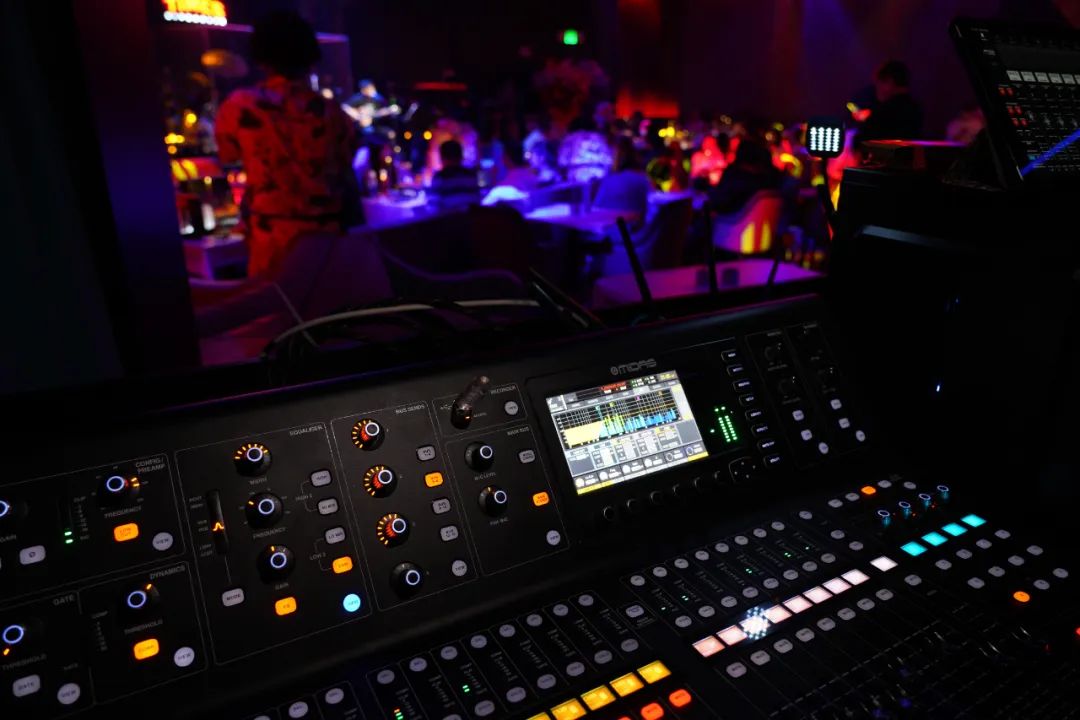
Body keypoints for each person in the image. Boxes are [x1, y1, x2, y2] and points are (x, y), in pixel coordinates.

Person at [216, 11, 357, 277]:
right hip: (328, 238)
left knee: (276, 302)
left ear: (261, 56)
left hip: (273, 238)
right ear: (310, 54)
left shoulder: (239, 106)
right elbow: (346, 167)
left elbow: (228, 157)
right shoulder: (333, 112)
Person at [707, 137, 783, 215]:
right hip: (768, 219)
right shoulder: (774, 177)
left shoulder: (734, 175)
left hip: (735, 220)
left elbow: (720, 201)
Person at [856, 60, 923, 145]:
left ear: (890, 81)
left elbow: (862, 141)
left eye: (879, 82)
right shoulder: (916, 109)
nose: (877, 87)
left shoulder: (883, 113)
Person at [592, 136, 653, 222]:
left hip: (612, 228)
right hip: (636, 228)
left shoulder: (609, 180)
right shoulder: (643, 179)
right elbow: (652, 209)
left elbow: (597, 207)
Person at [428, 140, 481, 208]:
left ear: (442, 157)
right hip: (471, 215)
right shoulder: (471, 176)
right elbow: (477, 201)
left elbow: (433, 206)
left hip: (447, 215)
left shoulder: (439, 177)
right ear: (461, 156)